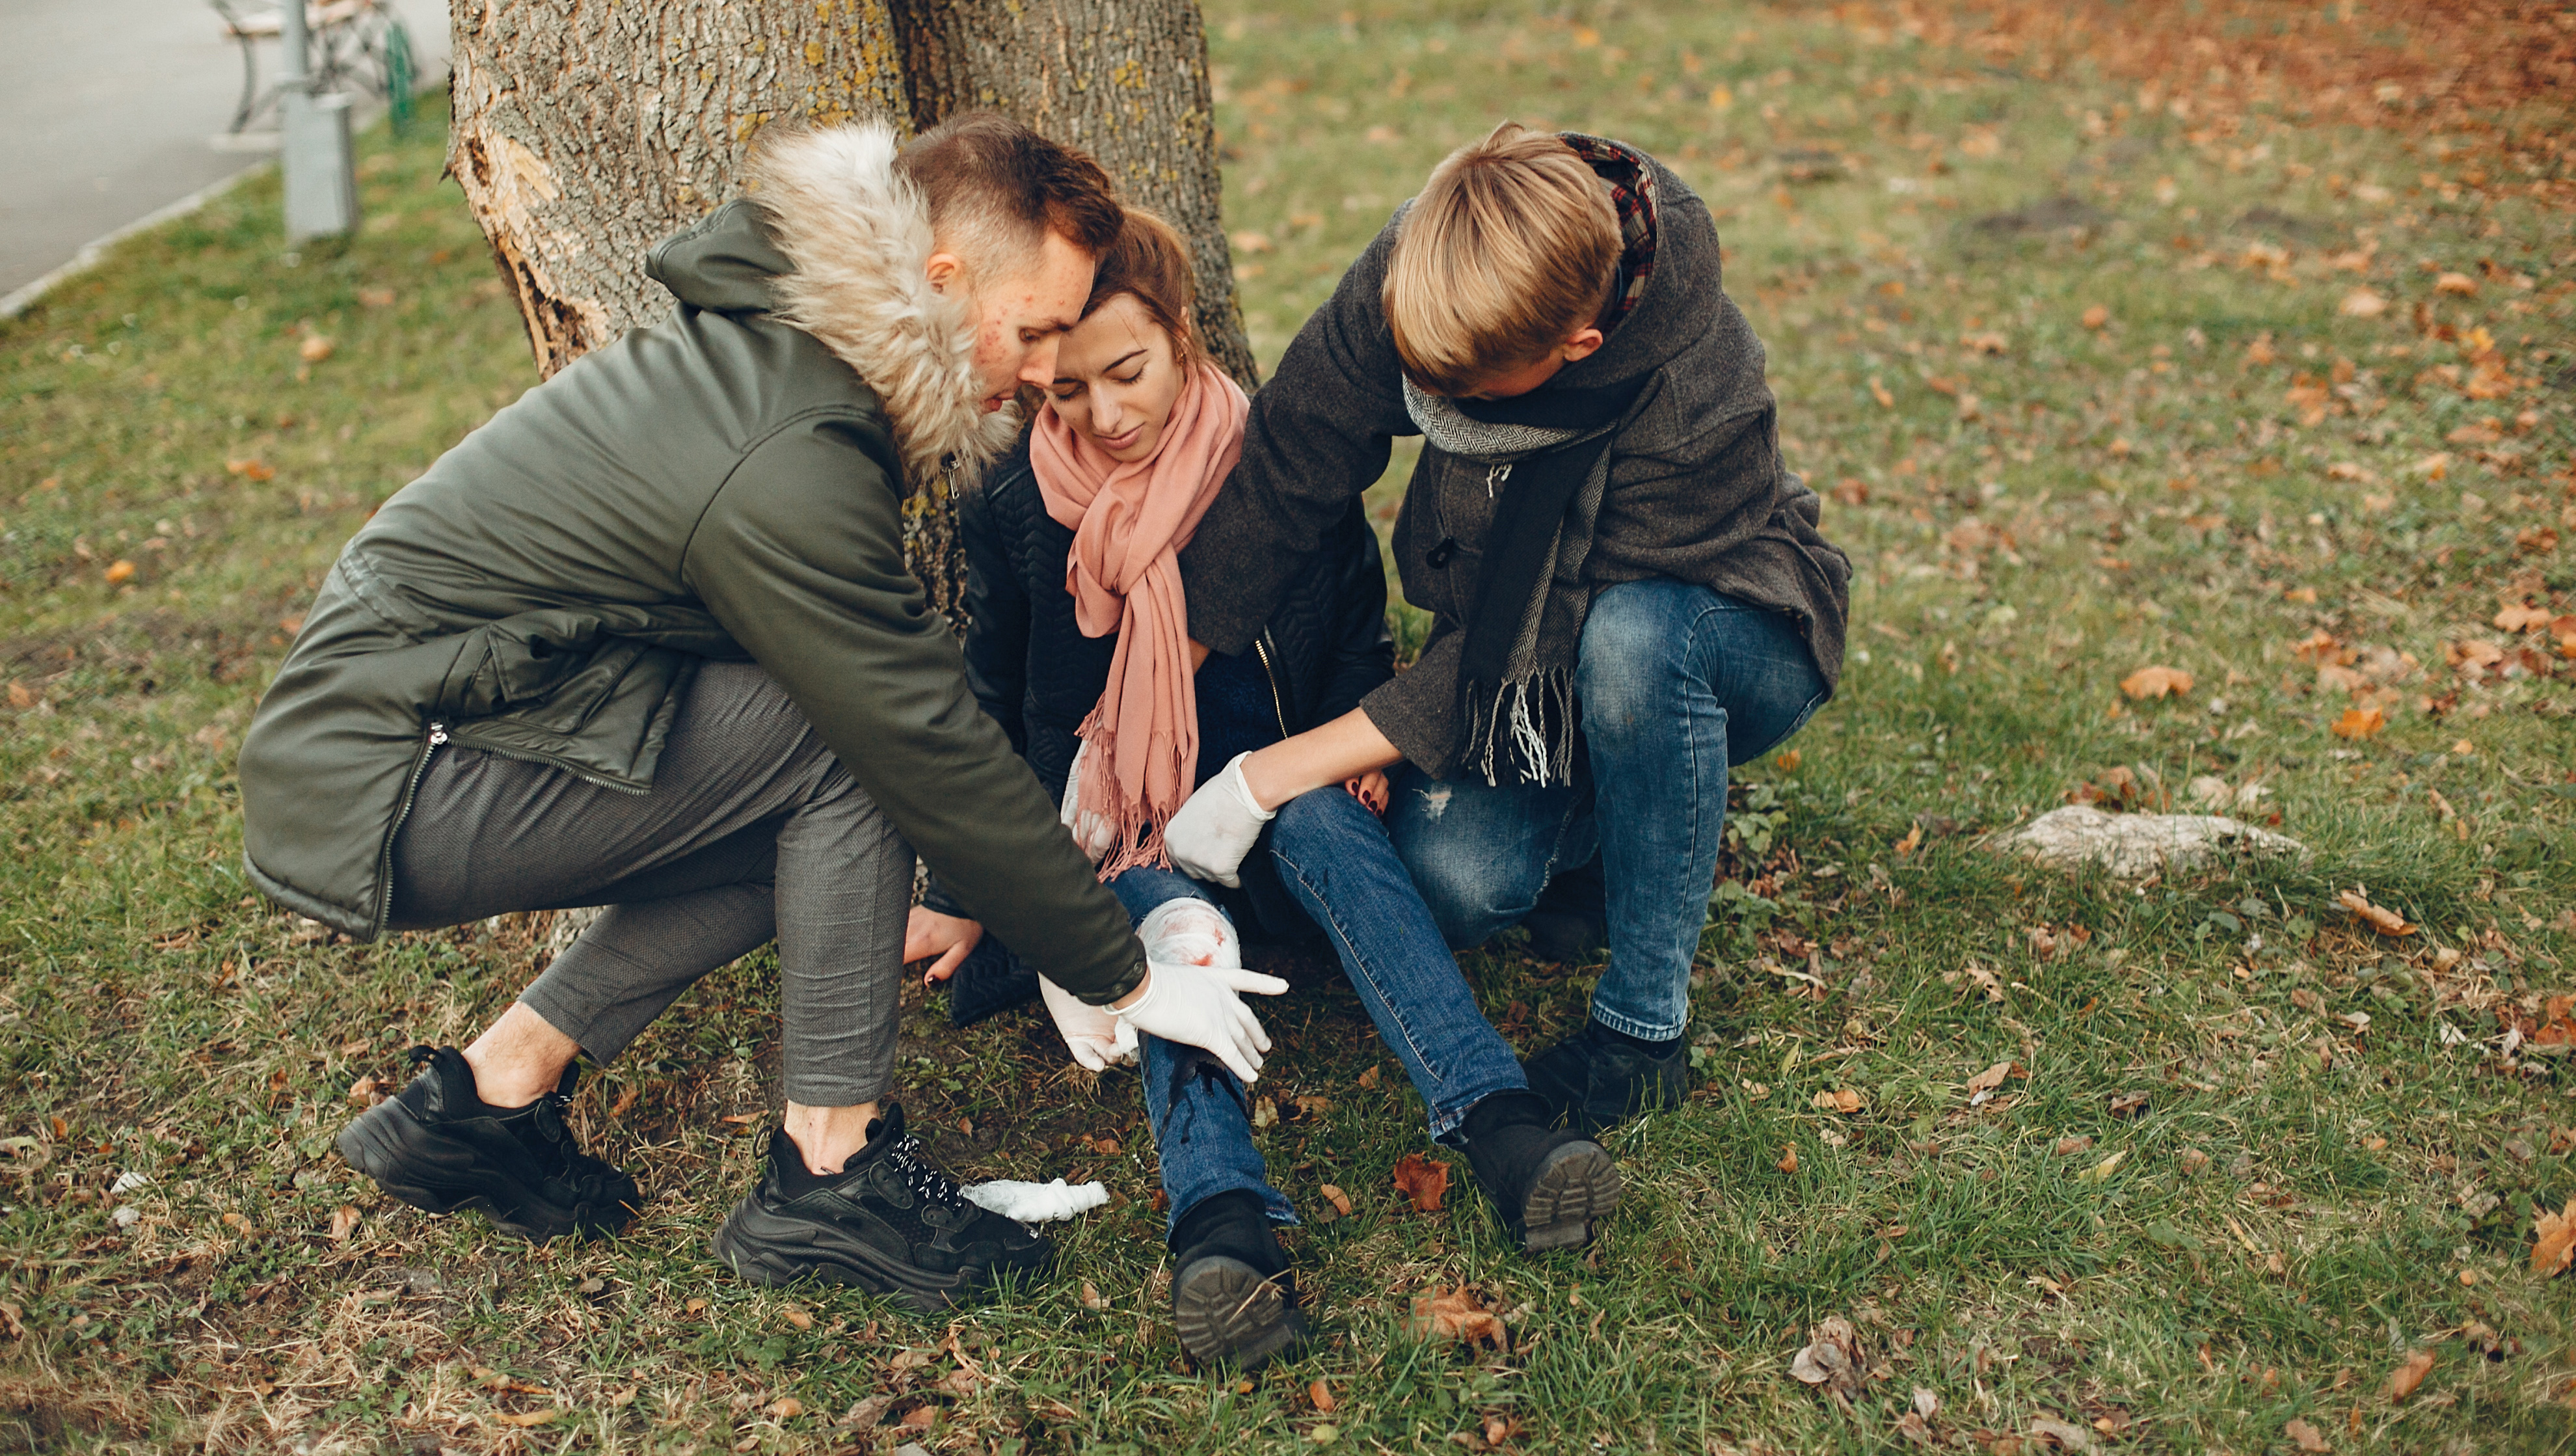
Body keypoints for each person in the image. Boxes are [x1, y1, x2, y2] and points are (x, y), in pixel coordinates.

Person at [237, 115, 1287, 1312]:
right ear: (943, 282)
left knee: (819, 805)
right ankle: (830, 1172)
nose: (1048, 371)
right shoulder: (792, 438)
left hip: (450, 725)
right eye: (1039, 329)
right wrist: (1126, 974)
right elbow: (920, 739)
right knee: (847, 745)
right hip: (387, 772)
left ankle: (486, 1100)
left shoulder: (798, 357)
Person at [903, 209, 1624, 1368]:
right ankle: (1224, 1230)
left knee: (1328, 819)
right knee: (1168, 928)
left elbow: (1349, 635)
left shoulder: (1280, 466)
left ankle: (1502, 1123)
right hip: (1121, 844)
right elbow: (988, 706)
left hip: (1273, 808)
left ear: (1185, 339)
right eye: (1065, 394)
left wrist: (1365, 750)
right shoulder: (1015, 508)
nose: (1104, 414)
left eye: (1127, 372)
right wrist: (971, 884)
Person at [1164, 122, 1852, 1136]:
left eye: (1471, 391)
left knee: (1631, 648)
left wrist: (1262, 776)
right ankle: (1606, 832)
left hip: (1720, 620)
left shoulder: (1690, 394)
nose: (1439, 402)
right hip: (1519, 663)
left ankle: (1644, 1028)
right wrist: (1168, 668)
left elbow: (1532, 646)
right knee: (1454, 882)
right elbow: (1293, 451)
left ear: (1575, 349)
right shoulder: (1436, 262)